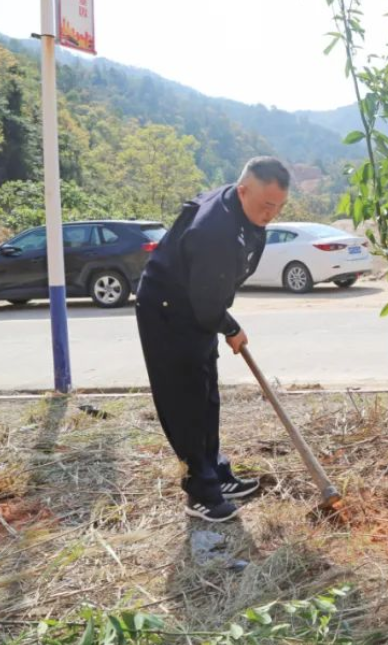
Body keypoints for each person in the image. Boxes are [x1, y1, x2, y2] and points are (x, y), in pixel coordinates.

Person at [135, 156, 290, 522]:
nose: (272, 214)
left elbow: (210, 299)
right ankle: (201, 493)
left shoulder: (241, 212)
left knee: (206, 395)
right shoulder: (214, 230)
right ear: (242, 190)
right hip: (167, 311)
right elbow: (207, 306)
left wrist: (221, 321)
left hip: (195, 306)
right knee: (185, 401)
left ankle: (215, 472)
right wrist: (231, 328)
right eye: (266, 205)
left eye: (279, 207)